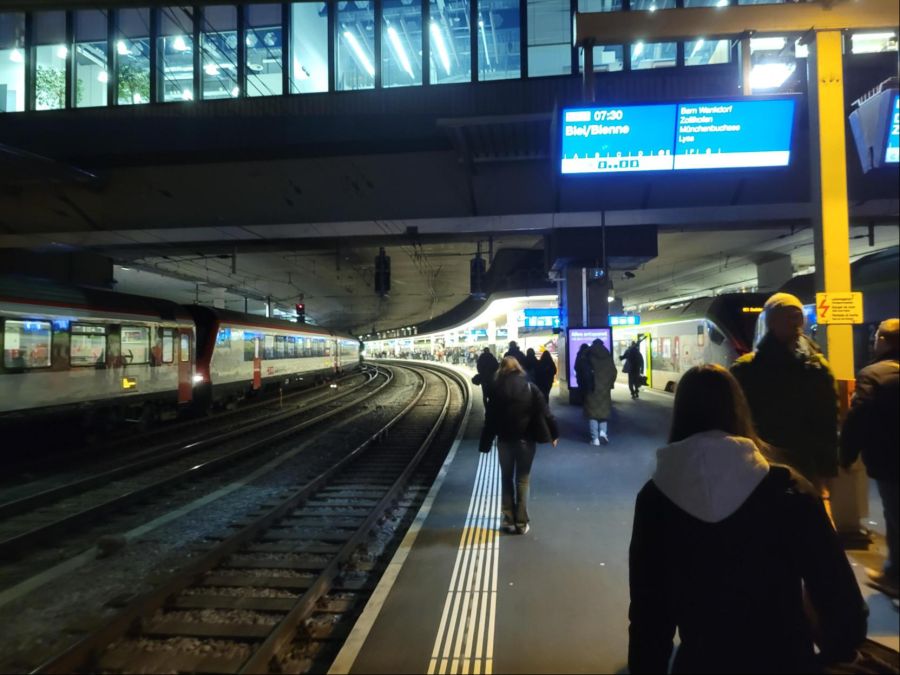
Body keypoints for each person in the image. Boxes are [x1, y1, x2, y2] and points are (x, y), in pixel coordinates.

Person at [628, 365, 867, 674]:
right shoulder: (788, 489)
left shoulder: (656, 499)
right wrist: (836, 649)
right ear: (739, 410)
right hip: (787, 661)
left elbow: (649, 614)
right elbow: (839, 595)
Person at [731, 292, 839, 489]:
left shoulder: (817, 367)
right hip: (767, 463)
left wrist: (828, 468)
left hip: (794, 464)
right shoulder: (747, 369)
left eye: (797, 316)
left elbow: (827, 421)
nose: (795, 322)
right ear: (772, 322)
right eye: (788, 316)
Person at [840, 318, 899, 598]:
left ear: (884, 341)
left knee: (895, 515)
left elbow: (858, 418)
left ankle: (895, 577)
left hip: (890, 459)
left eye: (877, 338)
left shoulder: (873, 374)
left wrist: (846, 454)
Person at [480, 356, 559, 535]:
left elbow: (490, 419)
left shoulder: (495, 390)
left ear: (501, 370)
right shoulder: (530, 387)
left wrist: (485, 443)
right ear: (518, 368)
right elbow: (546, 413)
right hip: (526, 442)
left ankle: (508, 520)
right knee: (523, 479)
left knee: (506, 478)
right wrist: (554, 434)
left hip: (504, 441)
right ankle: (521, 523)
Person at [583, 338, 617, 445]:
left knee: (592, 414)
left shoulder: (588, 354)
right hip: (605, 389)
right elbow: (614, 372)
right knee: (603, 412)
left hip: (592, 388)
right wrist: (609, 384)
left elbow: (583, 370)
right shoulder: (607, 355)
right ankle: (603, 432)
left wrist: (585, 384)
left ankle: (595, 439)